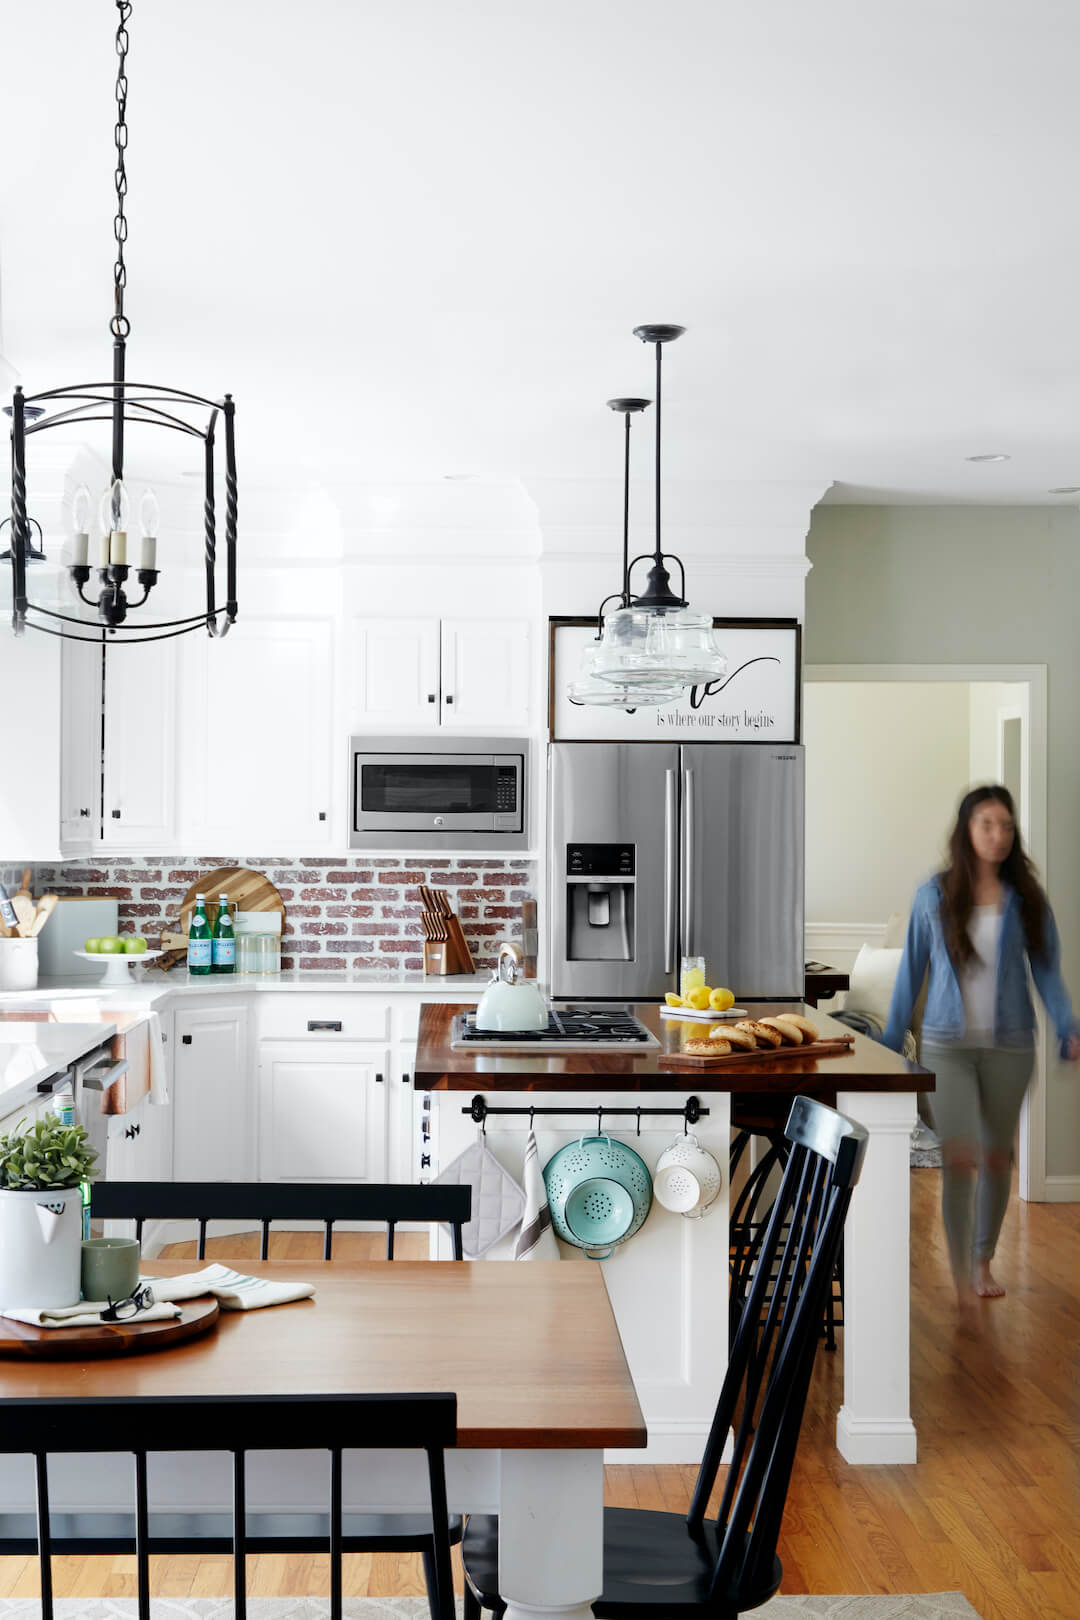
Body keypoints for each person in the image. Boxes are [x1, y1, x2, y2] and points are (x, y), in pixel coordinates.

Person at [882, 785, 1079, 1310]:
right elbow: (911, 975)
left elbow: (1048, 974)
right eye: (987, 824)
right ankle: (959, 1267)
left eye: (1007, 826)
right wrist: (885, 1044)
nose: (998, 835)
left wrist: (1067, 1024)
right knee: (961, 1155)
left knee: (996, 1156)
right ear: (967, 830)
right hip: (947, 1045)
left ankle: (982, 1258)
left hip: (1011, 1047)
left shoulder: (1027, 899)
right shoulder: (935, 894)